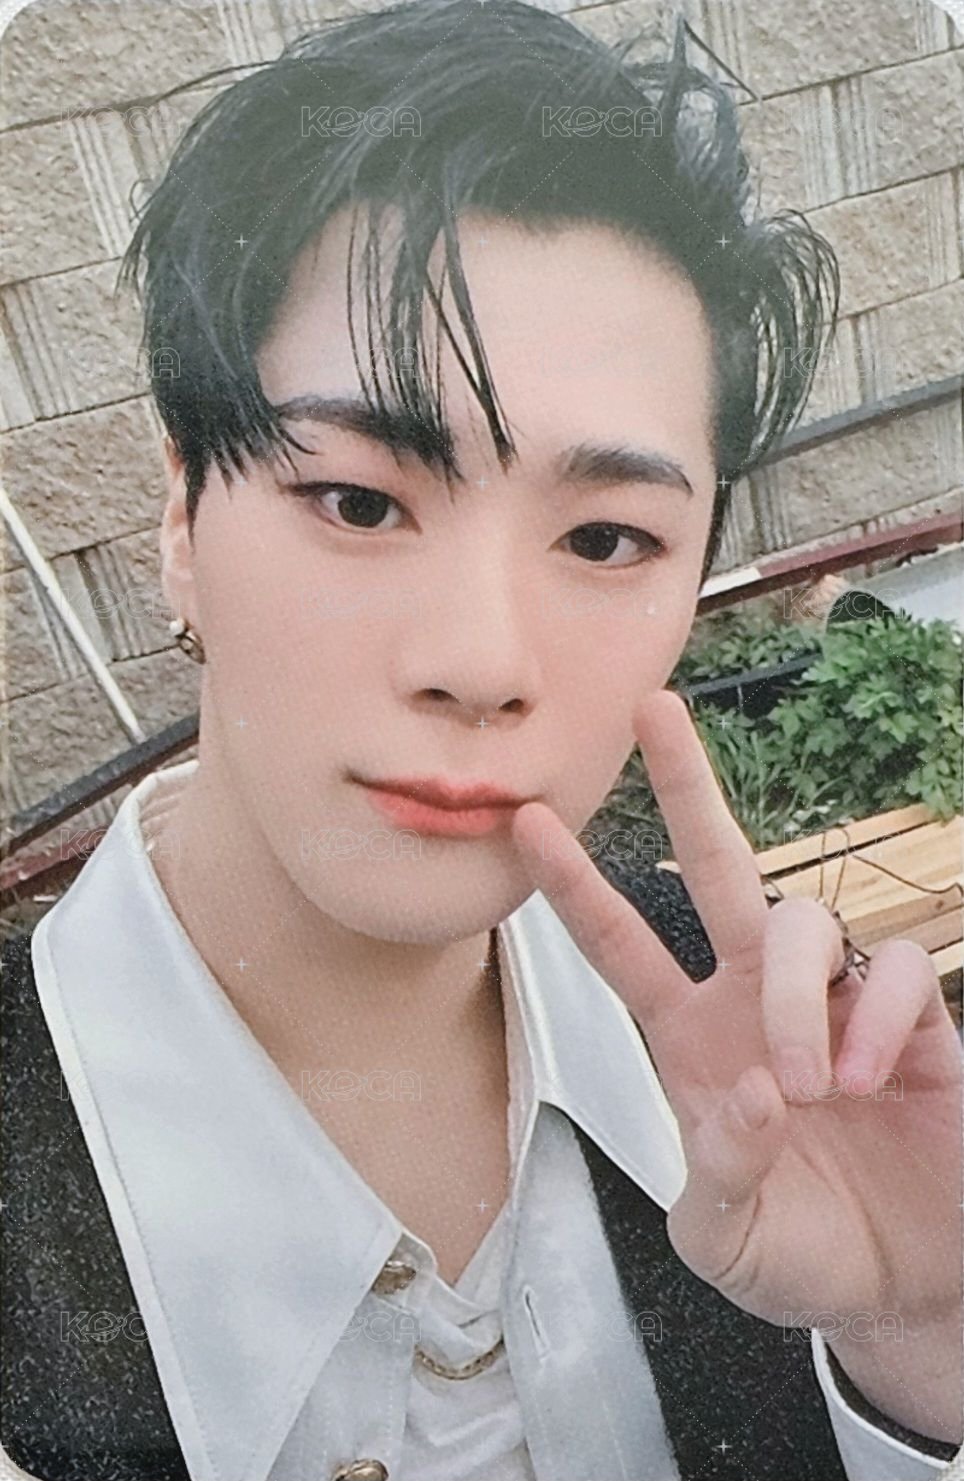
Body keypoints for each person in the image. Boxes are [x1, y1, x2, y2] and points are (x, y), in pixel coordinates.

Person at [1, 1, 960, 1477]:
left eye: (605, 537)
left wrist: (920, 1341)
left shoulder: (752, 1057)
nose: (481, 664)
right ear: (183, 520)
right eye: (359, 502)